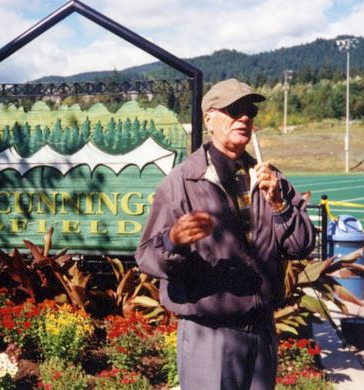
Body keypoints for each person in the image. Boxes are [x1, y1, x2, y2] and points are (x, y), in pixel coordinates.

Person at [135, 78, 316, 390]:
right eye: (234, 110)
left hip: (261, 331)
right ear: (209, 119)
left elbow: (301, 246)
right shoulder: (182, 182)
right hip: (210, 336)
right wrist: (172, 241)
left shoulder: (269, 178)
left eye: (249, 111)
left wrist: (278, 204)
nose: (244, 117)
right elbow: (147, 256)